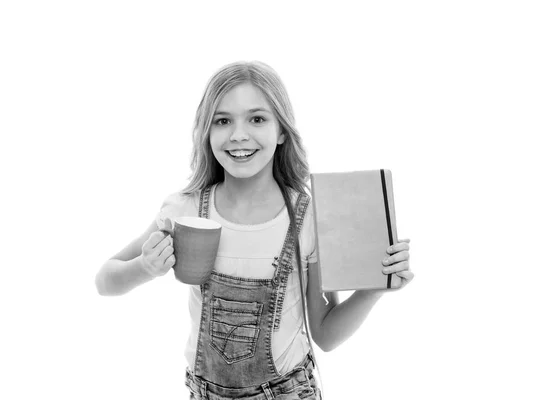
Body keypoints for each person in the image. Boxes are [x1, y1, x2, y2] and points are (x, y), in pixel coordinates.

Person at [94, 61, 414, 399]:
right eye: (223, 121)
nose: (238, 135)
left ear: (281, 132)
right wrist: (144, 268)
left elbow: (325, 334)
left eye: (257, 119)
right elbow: (104, 280)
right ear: (207, 131)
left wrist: (374, 289)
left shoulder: (306, 218)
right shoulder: (184, 210)